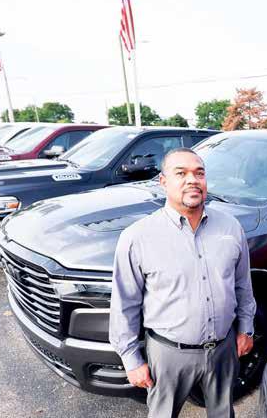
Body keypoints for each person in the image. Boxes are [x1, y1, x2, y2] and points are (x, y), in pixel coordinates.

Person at [109, 147, 257, 418]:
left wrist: (246, 328)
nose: (192, 180)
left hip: (223, 350)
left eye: (199, 173)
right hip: (168, 355)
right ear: (163, 181)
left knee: (223, 413)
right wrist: (131, 359)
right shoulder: (137, 237)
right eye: (181, 173)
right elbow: (124, 304)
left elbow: (242, 285)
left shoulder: (231, 227)